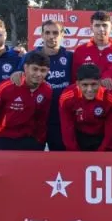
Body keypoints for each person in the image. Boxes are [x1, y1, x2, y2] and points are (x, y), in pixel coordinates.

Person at [0, 50, 52, 151]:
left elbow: (42, 119)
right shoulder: (7, 86)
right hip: (3, 136)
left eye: (43, 70)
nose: (38, 74)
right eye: (35, 69)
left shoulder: (47, 90)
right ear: (26, 67)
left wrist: (40, 141)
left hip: (29, 138)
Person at [21, 19, 74, 152]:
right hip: (34, 118)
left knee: (60, 156)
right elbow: (17, 78)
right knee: (32, 158)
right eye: (47, 33)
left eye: (55, 33)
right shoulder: (30, 56)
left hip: (60, 118)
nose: (51, 36)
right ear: (42, 35)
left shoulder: (70, 57)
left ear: (62, 34)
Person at [59, 63, 112, 151]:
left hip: (101, 136)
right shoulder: (67, 97)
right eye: (85, 85)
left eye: (94, 84)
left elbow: (111, 131)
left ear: (100, 82)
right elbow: (67, 128)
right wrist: (74, 152)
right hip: (79, 136)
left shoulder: (110, 99)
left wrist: (102, 152)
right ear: (78, 84)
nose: (89, 89)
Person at [72, 10, 112, 85]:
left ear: (111, 27)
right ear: (91, 27)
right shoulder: (80, 50)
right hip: (88, 92)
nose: (101, 29)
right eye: (97, 25)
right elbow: (75, 79)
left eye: (104, 25)